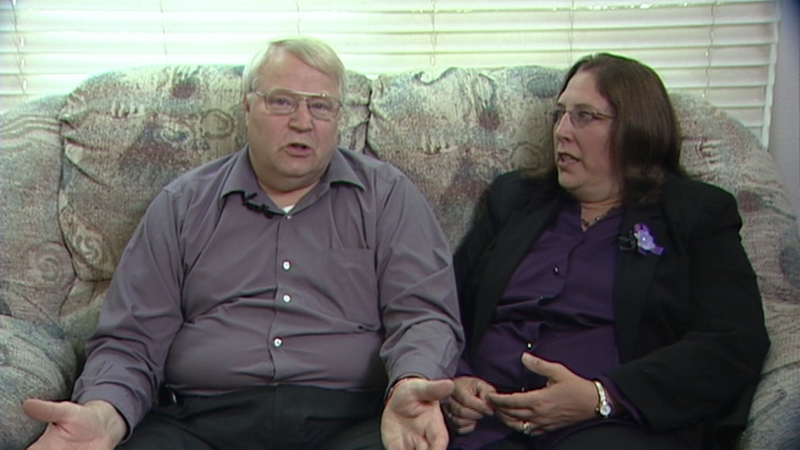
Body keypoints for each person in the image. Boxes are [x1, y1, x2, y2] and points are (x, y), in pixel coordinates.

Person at [23, 35, 464, 450]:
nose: (302, 121)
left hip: (349, 419)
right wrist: (103, 415)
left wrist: (411, 381)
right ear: (247, 105)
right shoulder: (183, 204)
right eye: (282, 101)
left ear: (338, 117)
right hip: (200, 421)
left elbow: (424, 314)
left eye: (320, 106)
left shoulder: (386, 197)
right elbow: (132, 339)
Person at [445, 53, 769, 450]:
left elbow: (733, 341)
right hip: (485, 424)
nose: (562, 131)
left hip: (608, 429)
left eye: (585, 116)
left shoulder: (696, 213)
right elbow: (443, 304)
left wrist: (603, 396)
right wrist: (457, 378)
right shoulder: (514, 198)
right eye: (560, 115)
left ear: (636, 129)